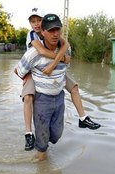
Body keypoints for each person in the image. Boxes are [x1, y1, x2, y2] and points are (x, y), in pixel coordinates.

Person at [20, 8, 100, 152]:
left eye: (39, 20)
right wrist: (59, 59)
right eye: (33, 21)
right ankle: (28, 133)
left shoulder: (54, 34)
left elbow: (66, 46)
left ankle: (83, 118)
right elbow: (43, 52)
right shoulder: (32, 35)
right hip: (33, 71)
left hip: (56, 70)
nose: (36, 24)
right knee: (28, 97)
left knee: (74, 87)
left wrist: (55, 63)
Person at [15, 13, 68, 161]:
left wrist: (60, 59)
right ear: (43, 32)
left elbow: (66, 49)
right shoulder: (33, 44)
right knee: (28, 98)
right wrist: (30, 78)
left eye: (58, 29)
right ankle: (33, 142)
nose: (55, 33)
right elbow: (19, 69)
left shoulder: (64, 47)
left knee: (56, 135)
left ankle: (83, 117)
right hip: (38, 86)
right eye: (51, 30)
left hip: (58, 93)